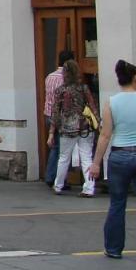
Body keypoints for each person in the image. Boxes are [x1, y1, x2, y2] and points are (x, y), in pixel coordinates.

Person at [87, 59, 136, 265]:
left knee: (117, 203)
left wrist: (96, 163)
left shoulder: (111, 102)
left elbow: (105, 135)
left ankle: (113, 248)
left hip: (119, 156)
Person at [50, 59, 97, 197]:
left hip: (67, 128)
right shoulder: (83, 88)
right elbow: (92, 106)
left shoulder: (60, 91)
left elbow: (55, 113)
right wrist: (97, 122)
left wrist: (51, 132)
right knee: (86, 157)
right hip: (84, 127)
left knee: (64, 157)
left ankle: (58, 185)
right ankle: (89, 188)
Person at [43, 49, 76, 188]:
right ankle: (56, 177)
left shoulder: (49, 76)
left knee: (56, 146)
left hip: (48, 113)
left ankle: (53, 176)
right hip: (61, 115)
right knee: (62, 148)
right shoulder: (65, 79)